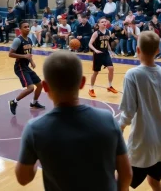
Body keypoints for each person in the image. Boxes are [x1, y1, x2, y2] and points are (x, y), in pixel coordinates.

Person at [16, 51, 132, 190]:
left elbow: (23, 179)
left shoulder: (34, 129)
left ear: (45, 87)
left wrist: (35, 152)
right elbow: (126, 174)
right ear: (82, 82)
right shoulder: (108, 119)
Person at [119, 31, 161, 191]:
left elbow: (128, 111)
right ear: (158, 50)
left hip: (143, 142)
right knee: (154, 182)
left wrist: (118, 129)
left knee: (120, 184)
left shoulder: (132, 74)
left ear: (137, 49)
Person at [8, 21, 45, 115]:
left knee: (40, 85)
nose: (28, 28)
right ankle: (13, 102)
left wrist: (31, 61)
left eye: (28, 26)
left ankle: (34, 103)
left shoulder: (29, 40)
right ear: (20, 29)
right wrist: (24, 57)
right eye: (25, 27)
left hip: (26, 67)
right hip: (19, 67)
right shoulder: (18, 40)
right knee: (30, 88)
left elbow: (29, 53)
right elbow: (10, 54)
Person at [88, 17, 118, 97]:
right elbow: (90, 44)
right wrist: (95, 50)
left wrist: (110, 51)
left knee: (111, 68)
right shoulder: (96, 33)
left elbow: (107, 42)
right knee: (96, 72)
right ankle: (91, 89)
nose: (104, 23)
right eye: (102, 22)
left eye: (105, 21)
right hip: (98, 55)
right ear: (98, 24)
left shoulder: (109, 32)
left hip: (105, 53)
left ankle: (110, 86)